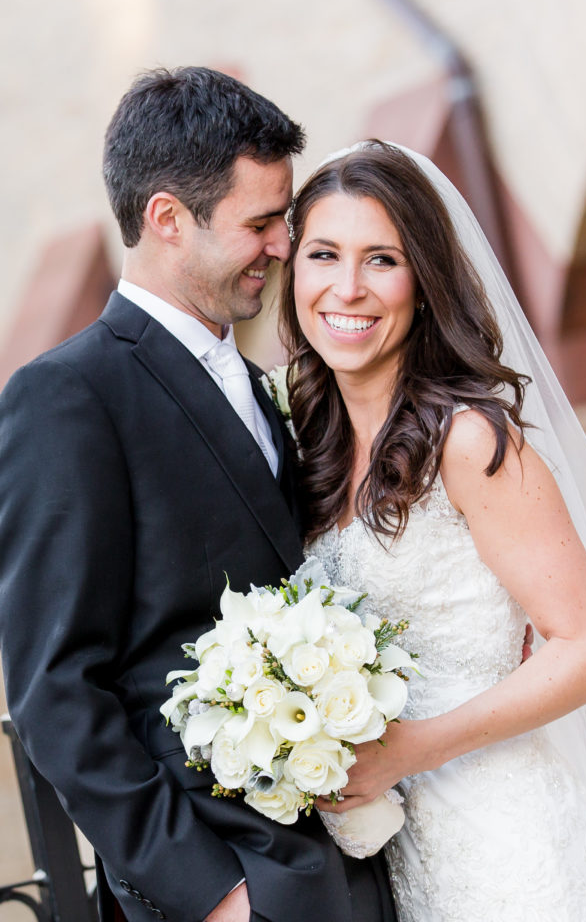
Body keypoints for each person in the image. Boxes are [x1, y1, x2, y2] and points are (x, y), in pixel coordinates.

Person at [0, 71, 398, 922]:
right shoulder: (68, 396)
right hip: (228, 885)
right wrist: (213, 896)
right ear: (168, 219)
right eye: (260, 223)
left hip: (352, 862)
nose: (284, 246)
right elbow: (55, 689)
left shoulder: (266, 385)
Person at [278, 140, 586, 921]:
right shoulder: (310, 445)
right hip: (399, 854)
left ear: (423, 279)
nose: (348, 288)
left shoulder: (469, 440)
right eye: (324, 254)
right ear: (293, 271)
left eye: (382, 259)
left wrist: (412, 749)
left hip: (508, 844)